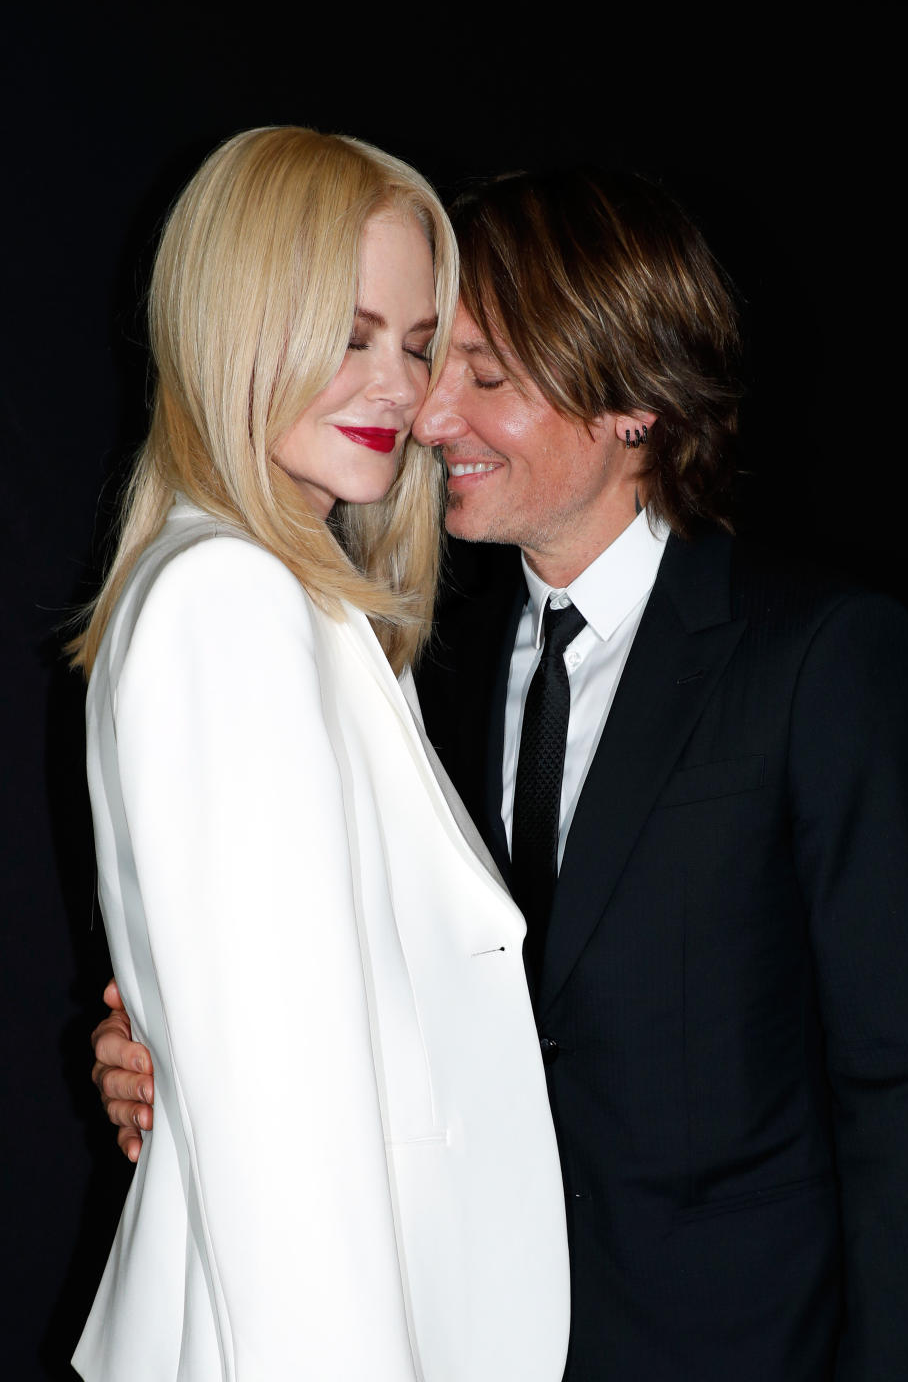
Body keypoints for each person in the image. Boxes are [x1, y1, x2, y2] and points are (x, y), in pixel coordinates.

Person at [92, 167, 908, 1380]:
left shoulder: (822, 659)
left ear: (634, 405)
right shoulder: (405, 667)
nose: (430, 414)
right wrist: (182, 1058)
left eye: (483, 376)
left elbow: (907, 1092)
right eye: (434, 360)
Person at [71, 127, 569, 1382]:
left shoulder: (285, 595)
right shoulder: (229, 601)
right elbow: (281, 1123)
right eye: (349, 335)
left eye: (414, 343)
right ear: (237, 322)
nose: (400, 391)